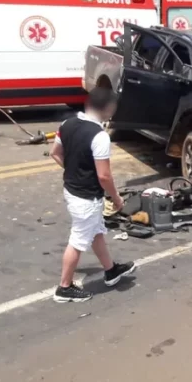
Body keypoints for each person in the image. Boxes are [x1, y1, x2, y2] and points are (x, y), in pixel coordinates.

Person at [50, 88, 136, 302]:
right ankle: (64, 287)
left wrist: (72, 171)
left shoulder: (66, 124)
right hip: (86, 197)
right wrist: (116, 199)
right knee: (78, 240)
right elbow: (104, 176)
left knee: (96, 231)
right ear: (108, 108)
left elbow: (55, 153)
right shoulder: (99, 137)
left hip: (72, 191)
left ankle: (111, 270)